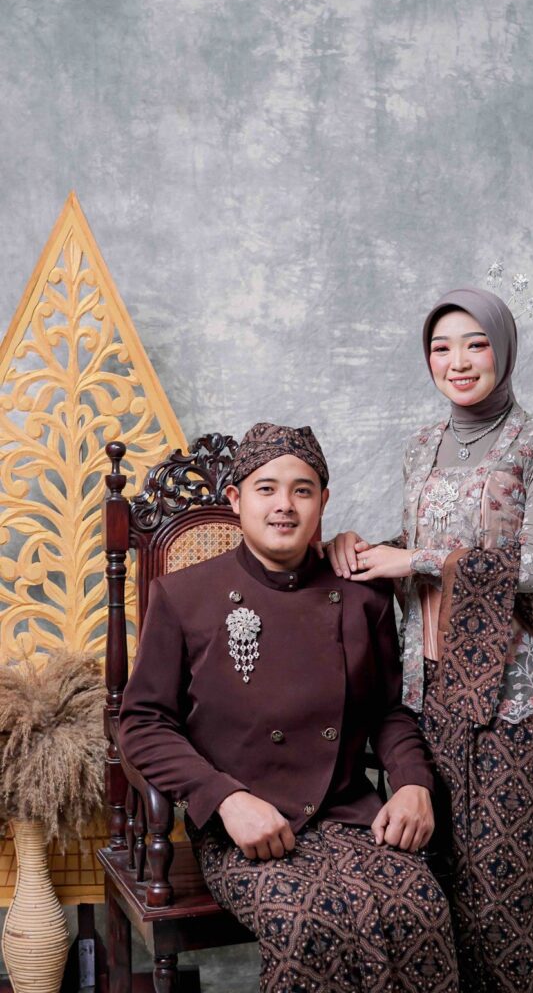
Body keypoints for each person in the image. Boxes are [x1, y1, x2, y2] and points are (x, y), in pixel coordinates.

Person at [119, 422, 458, 993]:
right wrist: (225, 799)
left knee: (420, 908)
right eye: (266, 489)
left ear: (323, 502)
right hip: (244, 826)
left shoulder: (363, 593)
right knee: (305, 924)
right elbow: (144, 723)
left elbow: (388, 712)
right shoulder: (182, 595)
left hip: (349, 813)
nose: (284, 505)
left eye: (302, 490)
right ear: (236, 500)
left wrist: (412, 783)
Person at [325, 288, 533, 993]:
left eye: (475, 344)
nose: (458, 362)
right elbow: (419, 549)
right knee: (432, 885)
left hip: (511, 696)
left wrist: (413, 558)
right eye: (441, 348)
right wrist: (362, 547)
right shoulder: (420, 447)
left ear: (504, 350)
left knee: (495, 897)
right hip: (425, 692)